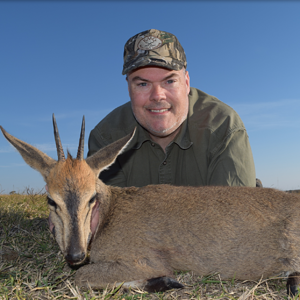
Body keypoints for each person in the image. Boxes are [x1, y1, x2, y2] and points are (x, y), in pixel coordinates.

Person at [88, 29, 257, 188]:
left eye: (169, 81)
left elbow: (234, 214)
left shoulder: (223, 126)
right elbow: (109, 216)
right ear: (129, 88)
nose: (157, 95)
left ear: (186, 82)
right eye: (143, 84)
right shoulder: (106, 139)